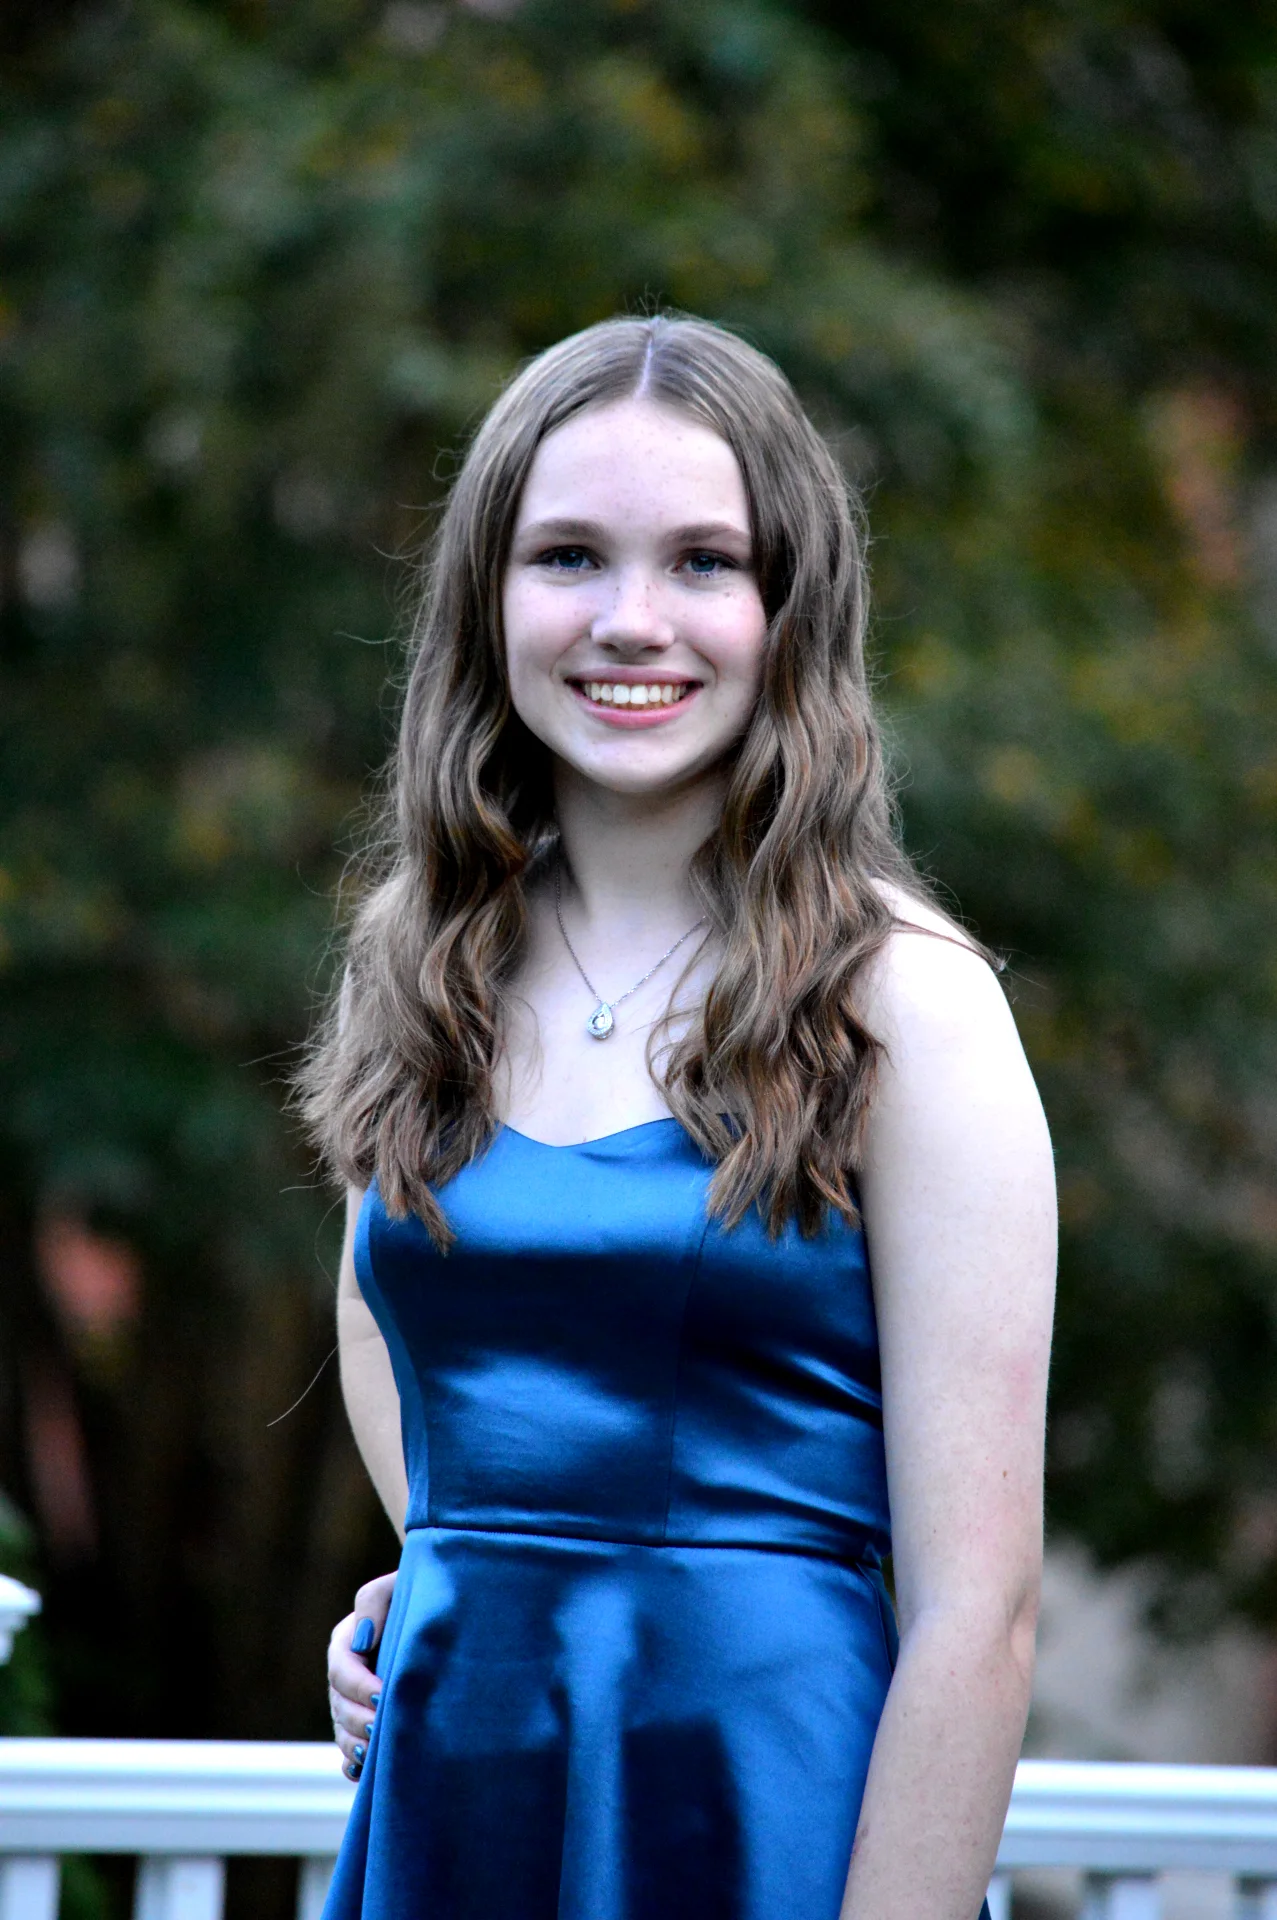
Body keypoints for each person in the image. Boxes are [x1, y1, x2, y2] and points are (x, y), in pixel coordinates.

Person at [303, 312, 1056, 1920]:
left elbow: (979, 1616)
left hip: (764, 1816)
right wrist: (451, 1563)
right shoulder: (420, 962)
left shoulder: (909, 1007)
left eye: (704, 562)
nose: (630, 620)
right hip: (463, 1789)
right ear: (487, 597)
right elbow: (383, 1310)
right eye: (568, 556)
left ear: (790, 608)